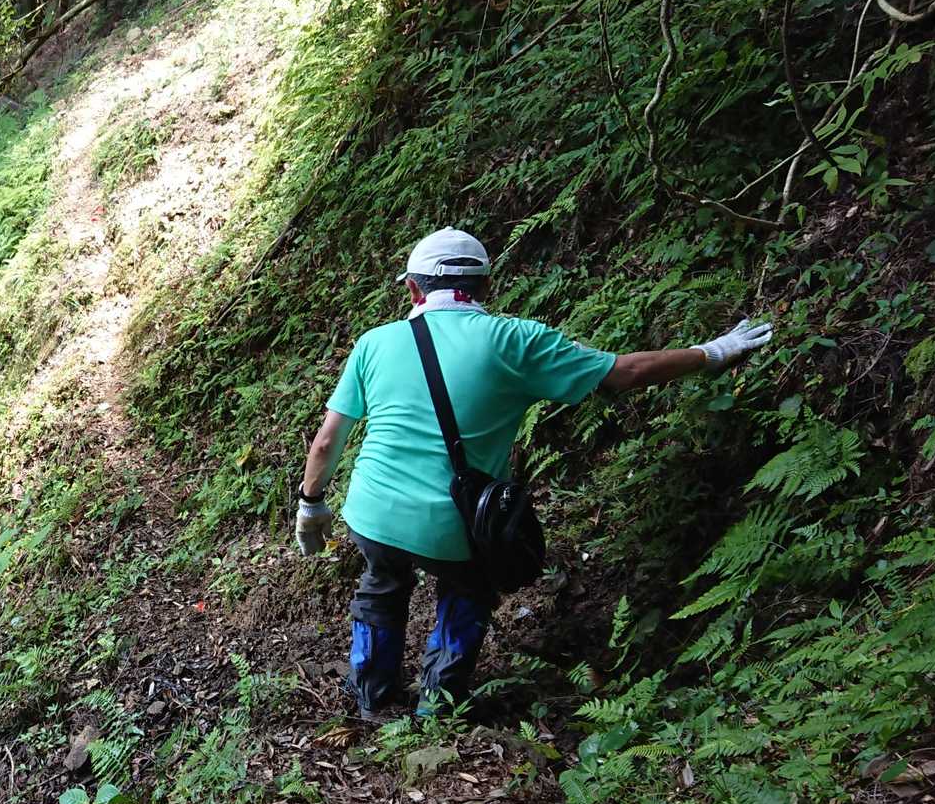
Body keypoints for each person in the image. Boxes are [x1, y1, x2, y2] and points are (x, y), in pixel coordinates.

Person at [293, 228, 772, 718]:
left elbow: (327, 441)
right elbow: (624, 373)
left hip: (374, 514)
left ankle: (372, 698)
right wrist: (714, 351)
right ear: (486, 286)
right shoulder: (516, 340)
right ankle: (437, 707)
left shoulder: (374, 343)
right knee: (469, 588)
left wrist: (311, 504)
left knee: (382, 585)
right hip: (454, 525)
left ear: (414, 289)